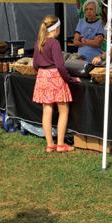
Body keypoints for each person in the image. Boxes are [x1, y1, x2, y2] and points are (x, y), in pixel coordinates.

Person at [32, 15, 79, 153]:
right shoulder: (54, 43)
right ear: (56, 29)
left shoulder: (39, 42)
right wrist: (71, 79)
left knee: (47, 111)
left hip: (42, 76)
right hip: (55, 77)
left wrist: (42, 73)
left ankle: (49, 144)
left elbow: (35, 64)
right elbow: (60, 65)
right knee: (63, 110)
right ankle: (60, 144)